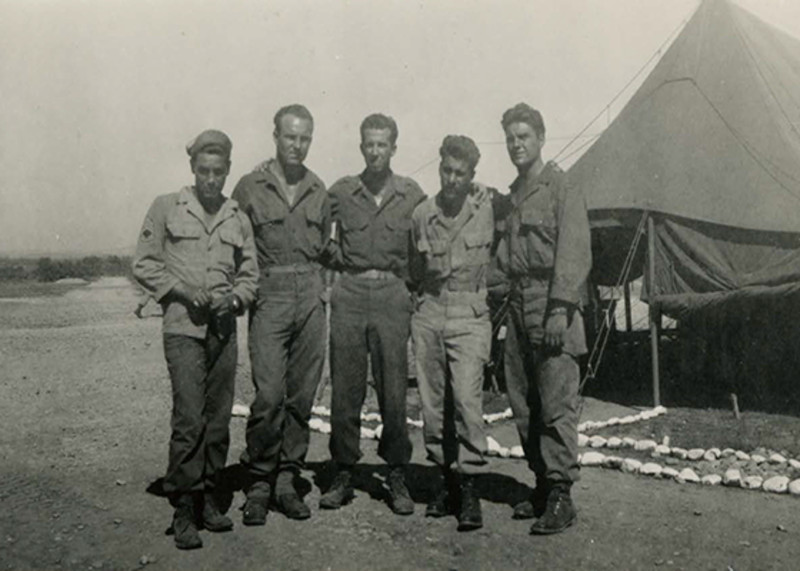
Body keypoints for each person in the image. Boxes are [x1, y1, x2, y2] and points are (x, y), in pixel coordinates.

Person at [132, 129, 258, 549]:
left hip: (223, 330)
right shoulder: (167, 207)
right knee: (189, 418)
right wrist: (184, 292)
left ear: (227, 171)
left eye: (218, 172)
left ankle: (209, 498)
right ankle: (184, 508)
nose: (211, 180)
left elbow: (250, 275)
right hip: (183, 327)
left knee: (218, 419)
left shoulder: (237, 216)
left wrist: (235, 300)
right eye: (203, 171)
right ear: (192, 168)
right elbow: (144, 264)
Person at [321, 113, 425, 515]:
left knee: (394, 388)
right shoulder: (343, 191)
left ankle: (396, 471)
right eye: (369, 144)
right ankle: (343, 471)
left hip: (391, 292)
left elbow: (428, 236)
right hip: (349, 290)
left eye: (383, 144)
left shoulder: (411, 194)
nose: (376, 151)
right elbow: (311, 222)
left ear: (394, 148)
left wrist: (409, 287)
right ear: (361, 146)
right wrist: (337, 258)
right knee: (345, 387)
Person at [232, 104, 331, 525]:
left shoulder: (318, 188)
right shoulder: (249, 186)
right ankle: (259, 481)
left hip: (310, 296)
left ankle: (287, 479)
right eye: (290, 136)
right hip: (269, 295)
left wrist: (323, 291)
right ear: (275, 135)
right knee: (269, 394)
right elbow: (234, 243)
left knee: (301, 396)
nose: (298, 145)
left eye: (305, 138)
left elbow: (327, 246)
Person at [497, 103, 592, 535]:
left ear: (541, 138)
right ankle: (540, 483)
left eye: (524, 137)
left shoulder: (561, 187)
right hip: (517, 304)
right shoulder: (513, 193)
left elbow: (574, 251)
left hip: (551, 304)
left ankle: (560, 494)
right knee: (524, 401)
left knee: (556, 402)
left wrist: (559, 308)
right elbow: (503, 259)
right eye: (511, 138)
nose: (517, 145)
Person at [409, 135, 495, 531]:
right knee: (433, 404)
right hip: (430, 310)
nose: (452, 179)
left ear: (472, 176)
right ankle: (444, 484)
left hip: (469, 313)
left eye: (461, 173)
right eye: (446, 170)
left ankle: (470, 488)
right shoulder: (422, 214)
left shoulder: (489, 207)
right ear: (439, 167)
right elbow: (414, 268)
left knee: (466, 400)